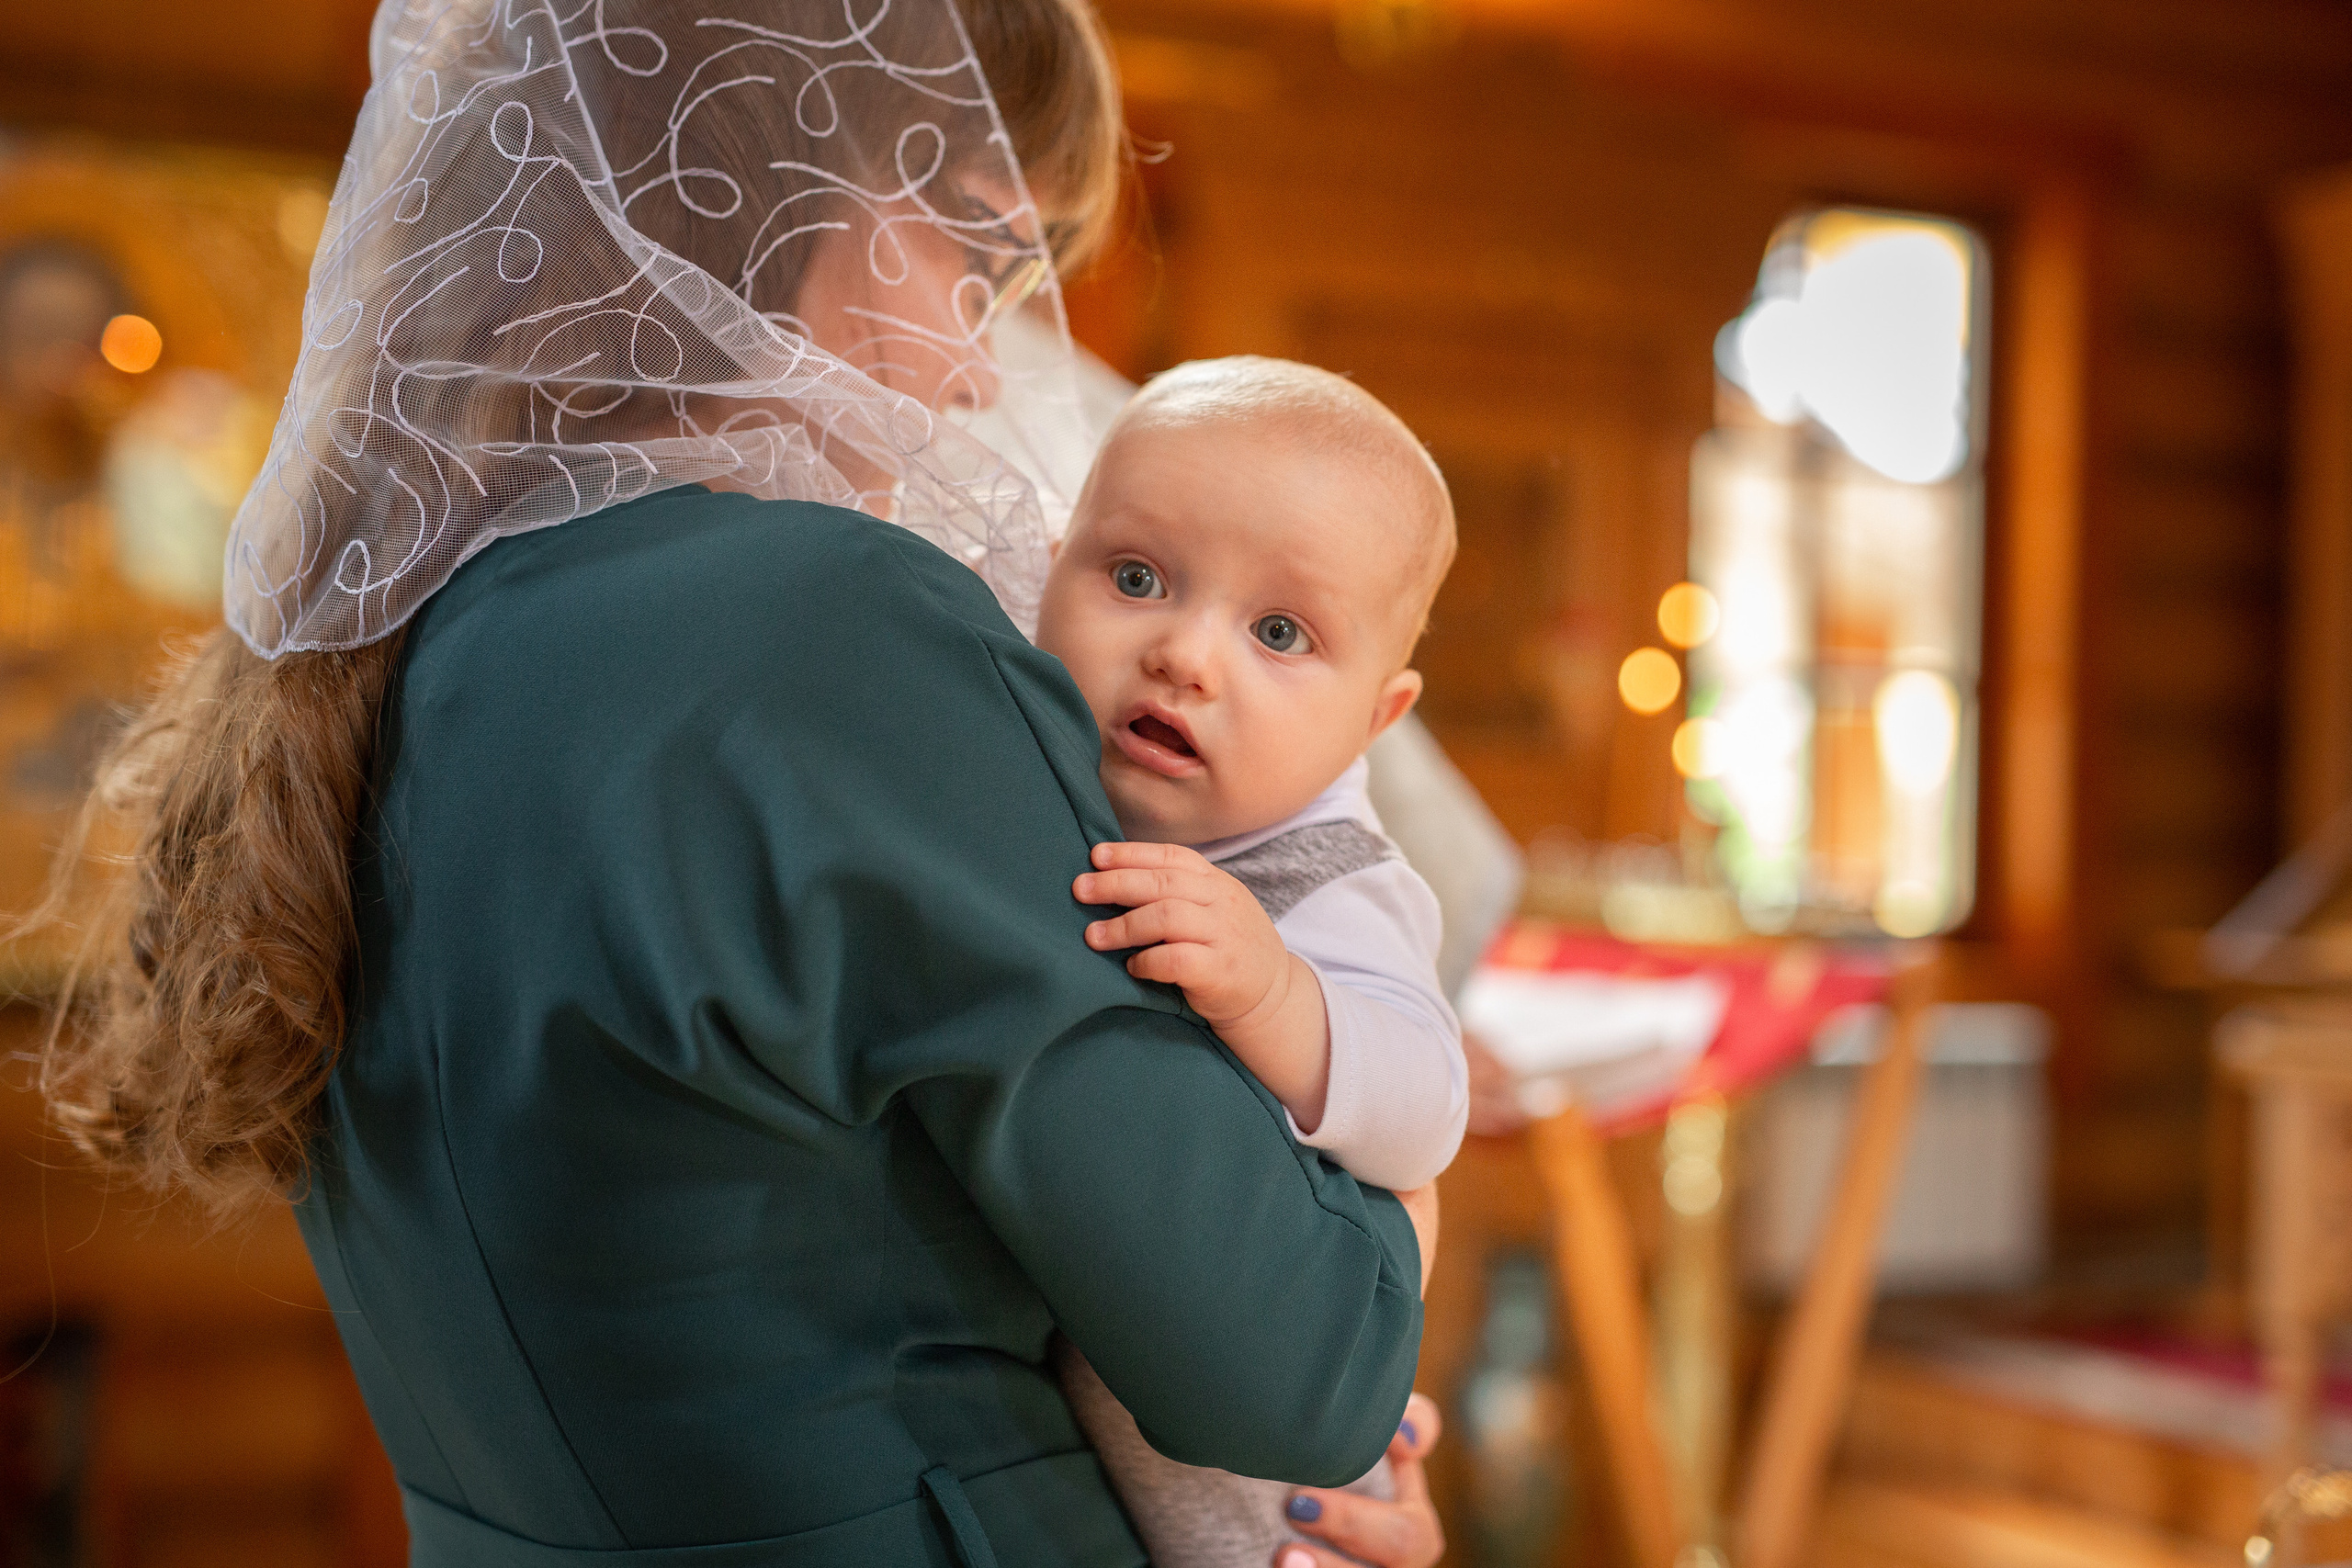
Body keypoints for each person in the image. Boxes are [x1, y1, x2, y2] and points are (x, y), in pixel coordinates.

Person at [28, 2, 1450, 1564]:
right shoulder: (839, 630)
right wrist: (1373, 1296)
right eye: (975, 256)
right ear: (773, 184)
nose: (981, 375)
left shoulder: (388, 646)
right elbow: (1301, 1365)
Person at [1033, 357, 1465, 1568]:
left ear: (1376, 718)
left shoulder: (1333, 877)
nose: (1184, 653)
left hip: (1263, 1494)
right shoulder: (1052, 793)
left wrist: (1277, 988)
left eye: (1279, 631)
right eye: (1135, 577)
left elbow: (1424, 1109)